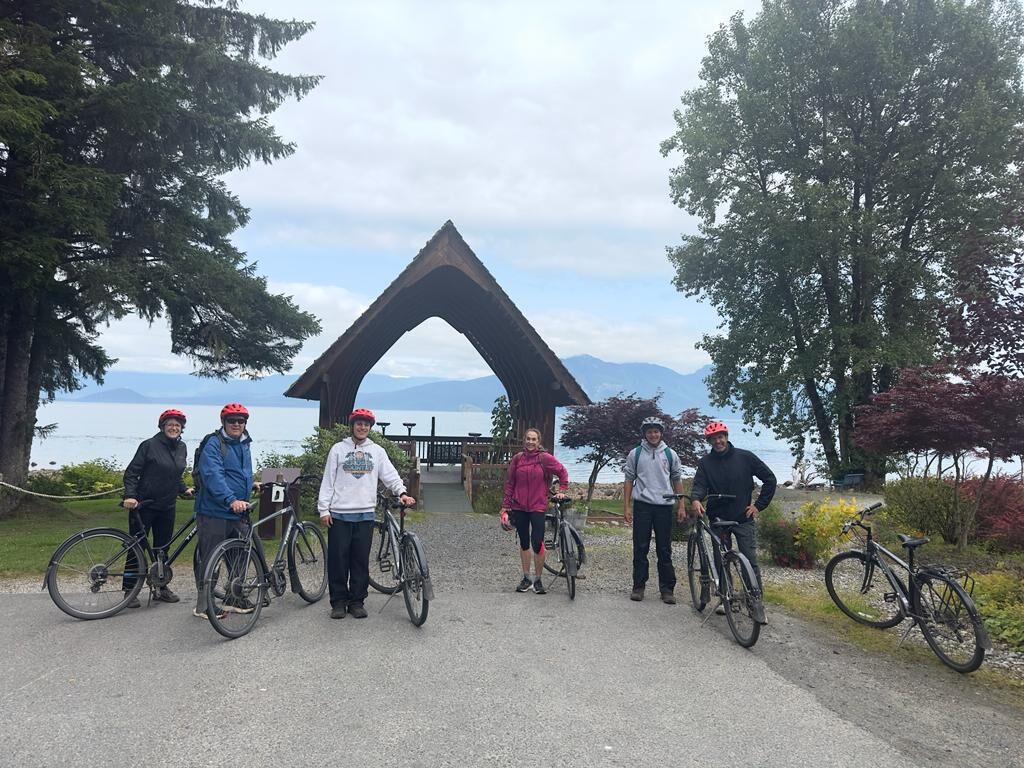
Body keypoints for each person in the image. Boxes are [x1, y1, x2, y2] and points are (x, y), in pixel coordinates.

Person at [318, 408, 415, 620]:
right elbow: (328, 480)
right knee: (338, 561)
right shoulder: (338, 450)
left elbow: (390, 475)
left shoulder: (377, 451)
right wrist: (323, 509)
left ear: (370, 428)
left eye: (366, 425)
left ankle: (357, 602)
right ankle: (338, 602)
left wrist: (402, 492)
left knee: (360, 561)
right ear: (352, 426)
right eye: (359, 424)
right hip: (339, 514)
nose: (362, 427)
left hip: (365, 514)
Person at [690, 420, 777, 607]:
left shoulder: (745, 457)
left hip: (742, 517)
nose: (718, 442)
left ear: (726, 437)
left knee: (749, 560)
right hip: (718, 518)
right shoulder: (705, 463)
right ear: (709, 442)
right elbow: (700, 485)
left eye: (720, 437)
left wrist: (758, 506)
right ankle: (725, 598)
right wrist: (696, 499)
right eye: (713, 439)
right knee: (721, 559)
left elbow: (770, 479)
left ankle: (755, 601)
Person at [122, 408, 193, 607]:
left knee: (162, 548)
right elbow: (132, 473)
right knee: (136, 548)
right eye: (170, 424)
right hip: (144, 505)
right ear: (162, 427)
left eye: (177, 425)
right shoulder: (149, 445)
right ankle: (129, 590)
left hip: (167, 506)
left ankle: (161, 587)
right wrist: (130, 495)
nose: (174, 428)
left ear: (181, 428)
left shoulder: (182, 447)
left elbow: (175, 474)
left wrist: (184, 489)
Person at [192, 402, 256, 619]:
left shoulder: (244, 443)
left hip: (238, 512)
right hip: (215, 511)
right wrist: (230, 499)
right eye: (232, 420)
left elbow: (241, 472)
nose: (236, 424)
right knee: (211, 559)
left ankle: (233, 598)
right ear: (223, 422)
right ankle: (204, 605)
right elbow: (213, 475)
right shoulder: (214, 443)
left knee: (240, 556)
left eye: (241, 420)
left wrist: (252, 484)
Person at [499, 427, 569, 595]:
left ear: (538, 442)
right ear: (524, 440)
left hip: (538, 506)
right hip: (519, 506)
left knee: (537, 543)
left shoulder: (545, 458)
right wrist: (505, 505)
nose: (530, 442)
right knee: (524, 542)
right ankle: (526, 578)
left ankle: (538, 579)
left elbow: (562, 472)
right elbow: (510, 483)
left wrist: (562, 490)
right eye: (528, 439)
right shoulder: (517, 459)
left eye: (534, 439)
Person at [623, 416, 685, 604]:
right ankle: (638, 587)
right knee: (640, 548)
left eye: (656, 431)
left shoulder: (670, 454)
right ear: (645, 434)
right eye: (650, 432)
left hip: (664, 506)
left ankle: (667, 589)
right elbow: (629, 480)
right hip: (642, 505)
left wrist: (681, 505)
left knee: (664, 549)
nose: (653, 435)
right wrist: (627, 506)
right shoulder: (635, 453)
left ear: (661, 433)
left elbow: (677, 480)